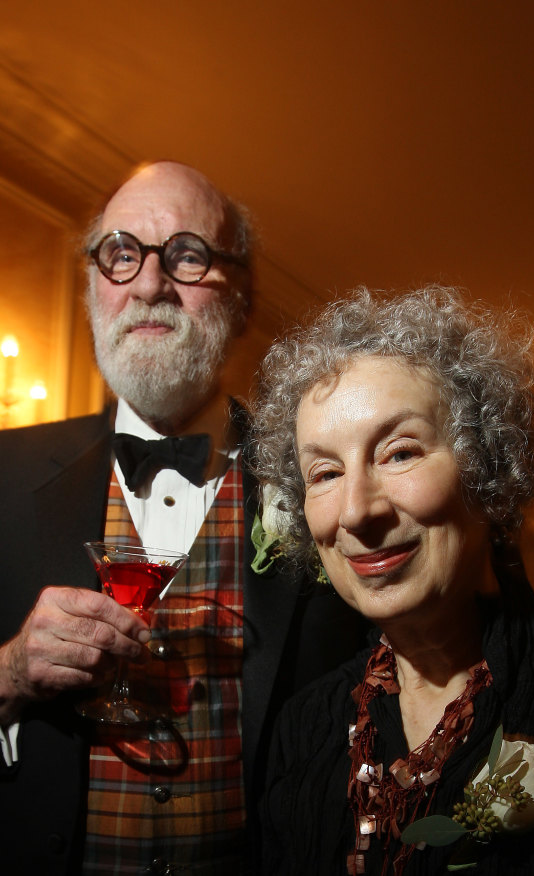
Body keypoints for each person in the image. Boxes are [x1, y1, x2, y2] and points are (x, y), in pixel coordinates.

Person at [0, 161, 367, 875]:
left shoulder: (323, 484)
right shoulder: (2, 475)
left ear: (243, 296)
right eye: (121, 254)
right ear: (92, 288)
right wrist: (10, 672)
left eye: (188, 256)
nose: (147, 285)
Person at [251, 286, 534, 875]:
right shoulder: (305, 728)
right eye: (324, 472)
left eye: (399, 453)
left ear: (486, 473)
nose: (356, 511)